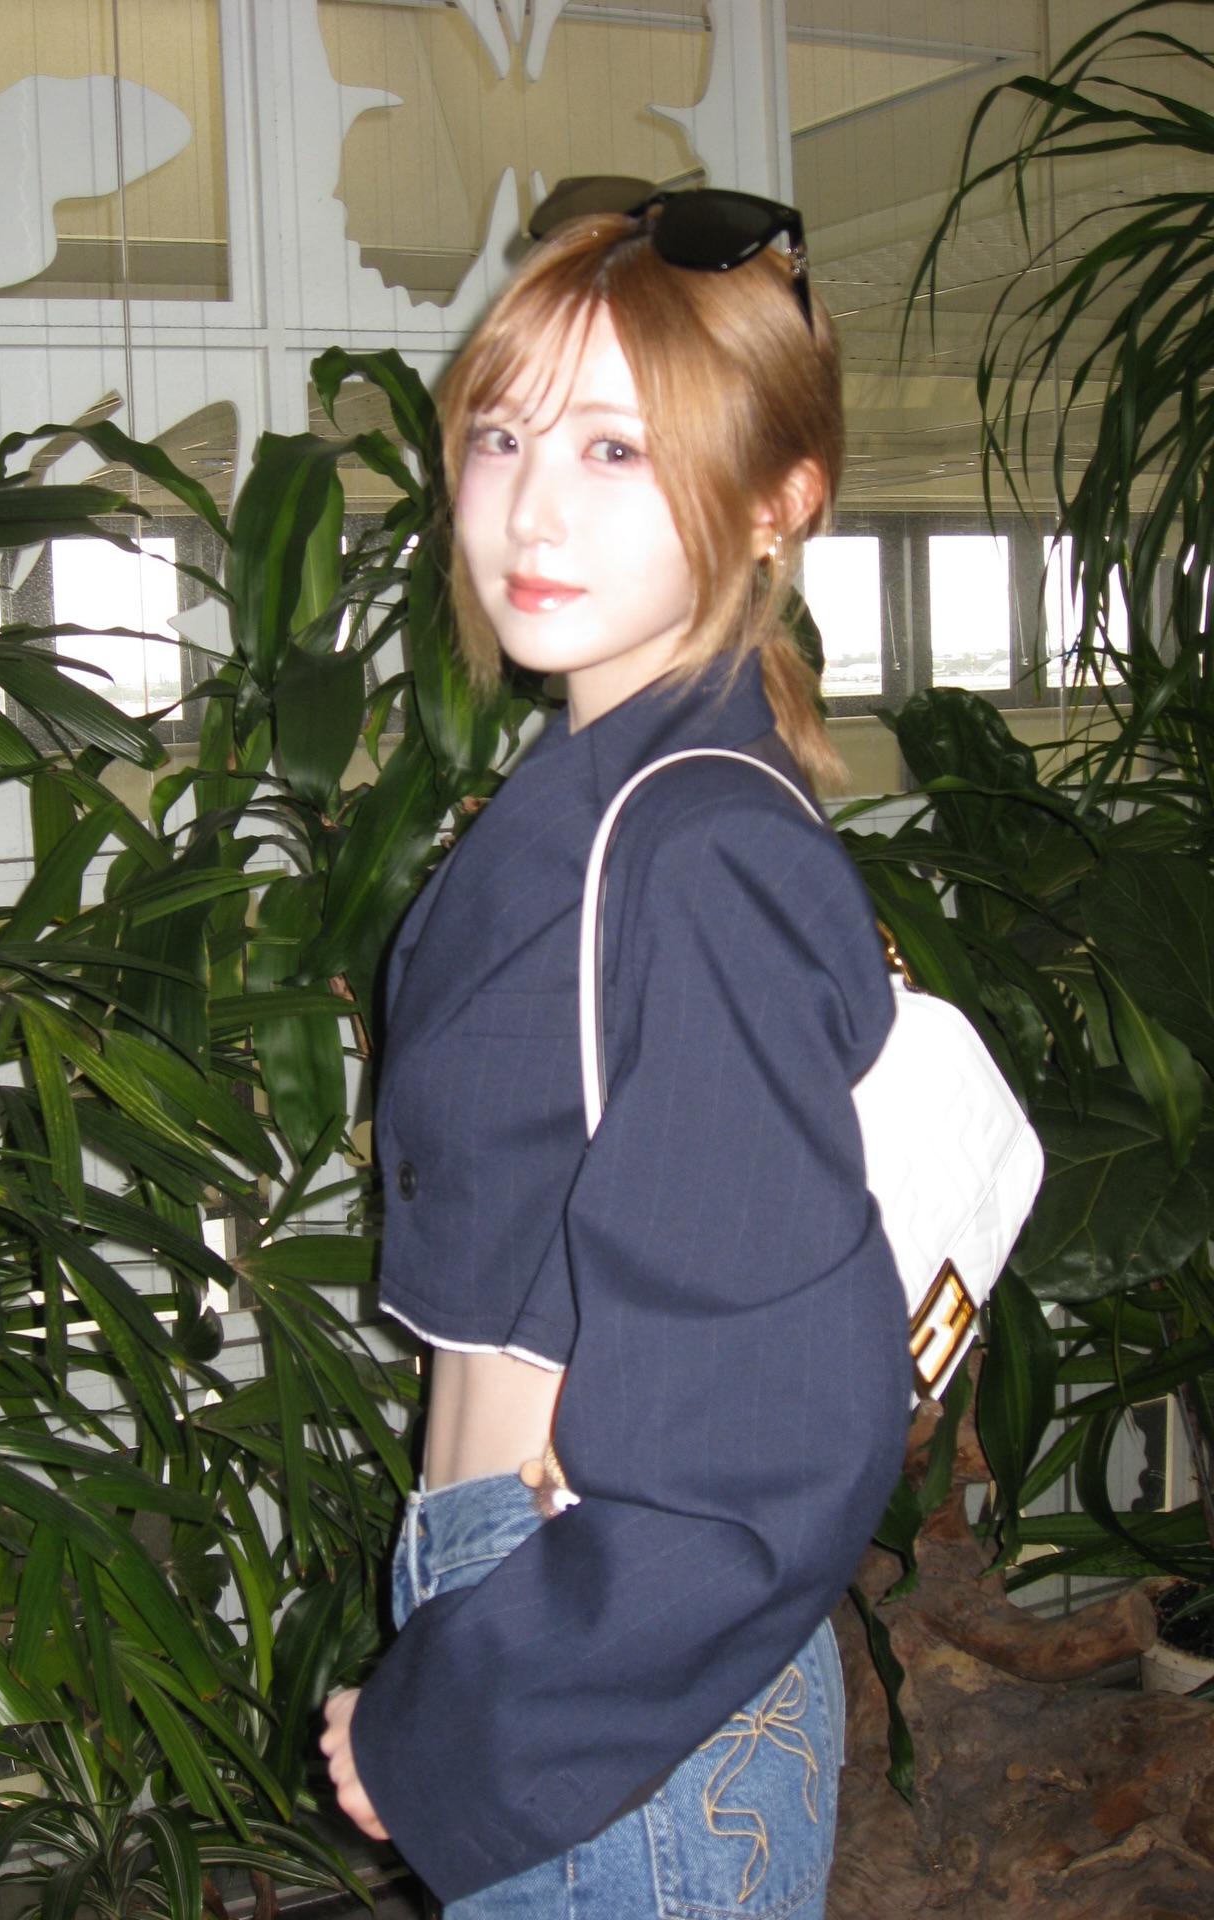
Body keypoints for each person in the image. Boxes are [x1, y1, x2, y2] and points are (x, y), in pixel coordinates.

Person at [320, 182, 910, 1920]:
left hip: (600, 1660)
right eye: (501, 437)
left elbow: (761, 1452)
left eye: (615, 450)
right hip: (557, 1616)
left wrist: (465, 1717)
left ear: (777, 500)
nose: (529, 508)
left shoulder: (697, 844)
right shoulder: (613, 796)